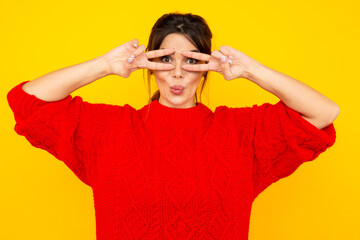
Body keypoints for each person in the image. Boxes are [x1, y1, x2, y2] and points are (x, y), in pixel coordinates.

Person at [7, 12, 339, 240]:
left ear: (208, 67)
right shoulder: (109, 130)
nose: (178, 73)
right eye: (166, 59)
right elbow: (26, 103)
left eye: (192, 60)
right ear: (148, 65)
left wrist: (250, 69)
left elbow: (324, 112)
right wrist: (105, 66)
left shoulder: (241, 132)